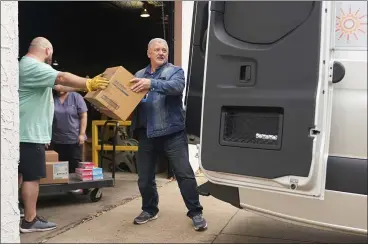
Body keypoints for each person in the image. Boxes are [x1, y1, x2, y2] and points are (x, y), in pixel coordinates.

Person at [18, 37, 109, 233]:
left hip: (26, 133)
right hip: (29, 134)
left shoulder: (26, 67)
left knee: (18, 176)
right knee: (31, 178)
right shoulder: (33, 66)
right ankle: (30, 220)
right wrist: (89, 82)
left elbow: (59, 87)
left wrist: (86, 86)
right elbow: (61, 78)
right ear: (48, 50)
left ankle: (12, 211)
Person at [129, 38, 207, 231]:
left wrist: (151, 84)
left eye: (164, 50)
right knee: (144, 178)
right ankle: (149, 209)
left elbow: (176, 87)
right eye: (157, 50)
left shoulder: (175, 72)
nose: (161, 53)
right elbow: (129, 99)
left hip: (172, 132)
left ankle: (196, 212)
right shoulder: (138, 75)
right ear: (149, 53)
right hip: (147, 133)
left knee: (184, 174)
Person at [51, 90, 88, 174]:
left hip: (74, 139)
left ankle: (76, 187)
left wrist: (82, 134)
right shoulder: (52, 98)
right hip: (57, 139)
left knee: (74, 167)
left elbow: (83, 115)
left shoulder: (76, 97)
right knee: (59, 170)